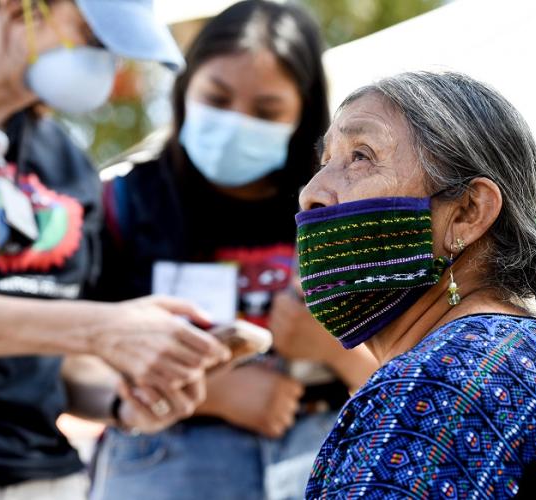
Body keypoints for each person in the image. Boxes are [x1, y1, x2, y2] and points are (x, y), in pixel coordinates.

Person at [0, 1, 231, 498]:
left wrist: (122, 402)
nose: (108, 65)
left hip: (47, 474)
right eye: (94, 35)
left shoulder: (65, 163)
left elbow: (58, 358)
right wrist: (103, 328)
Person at [297, 71, 536, 499]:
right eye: (326, 162)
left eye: (361, 156)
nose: (312, 193)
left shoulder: (433, 392)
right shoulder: (527, 350)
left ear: (468, 212)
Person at [88, 2, 378, 500]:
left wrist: (334, 348)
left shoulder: (337, 210)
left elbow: (402, 374)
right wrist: (213, 395)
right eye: (217, 99)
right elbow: (67, 353)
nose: (235, 123)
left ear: (303, 114)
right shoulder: (121, 203)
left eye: (266, 111)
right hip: (162, 459)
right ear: (184, 89)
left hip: (317, 457)